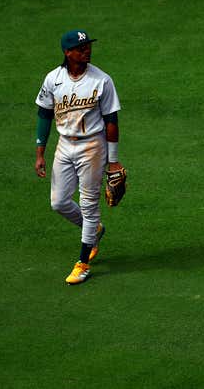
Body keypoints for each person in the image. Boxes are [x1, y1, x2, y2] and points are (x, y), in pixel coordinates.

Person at [34, 29, 124, 285]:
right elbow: (44, 114)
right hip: (64, 145)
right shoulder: (53, 79)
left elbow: (111, 120)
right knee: (59, 203)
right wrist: (40, 152)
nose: (87, 51)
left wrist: (113, 159)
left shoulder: (102, 80)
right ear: (68, 52)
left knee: (89, 204)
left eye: (88, 47)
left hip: (93, 147)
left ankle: (83, 263)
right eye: (81, 48)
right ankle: (94, 229)